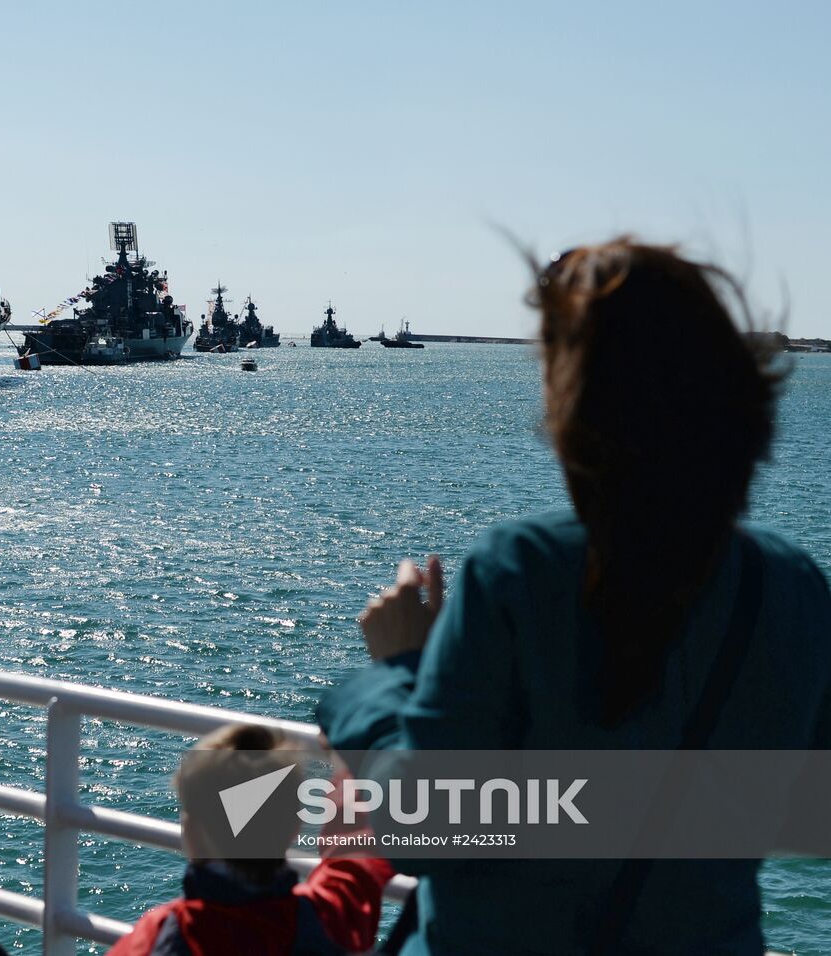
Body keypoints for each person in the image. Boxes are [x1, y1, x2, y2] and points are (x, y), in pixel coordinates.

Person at [315, 239, 831, 954]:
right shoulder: (792, 585)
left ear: (580, 403)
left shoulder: (523, 569)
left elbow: (417, 828)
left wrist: (394, 670)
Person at [109, 723, 392, 955]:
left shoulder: (158, 937)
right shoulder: (329, 916)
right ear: (295, 827)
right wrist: (350, 762)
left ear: (191, 835)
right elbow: (354, 850)